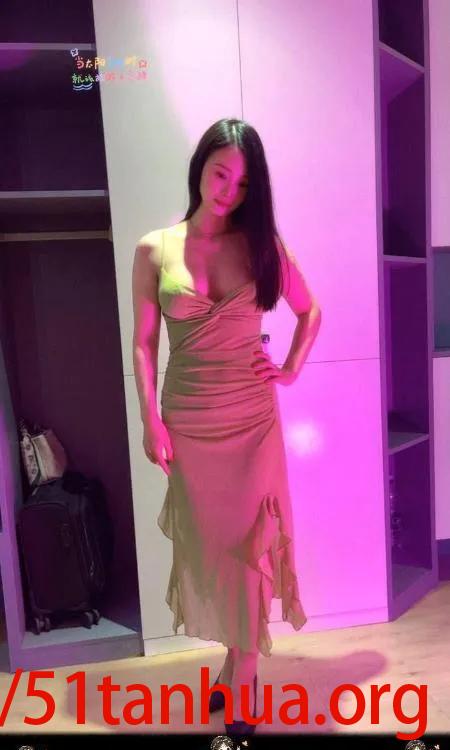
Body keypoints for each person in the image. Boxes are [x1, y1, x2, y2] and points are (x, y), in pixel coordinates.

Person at [132, 117, 322, 735]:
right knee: (211, 550)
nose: (228, 192)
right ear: (200, 167)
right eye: (221, 174)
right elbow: (143, 344)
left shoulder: (262, 246)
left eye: (242, 185)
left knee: (250, 548)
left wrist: (289, 369)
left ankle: (244, 675)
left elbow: (309, 310)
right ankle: (233, 662)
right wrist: (149, 419)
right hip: (188, 422)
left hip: (252, 420)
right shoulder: (155, 248)